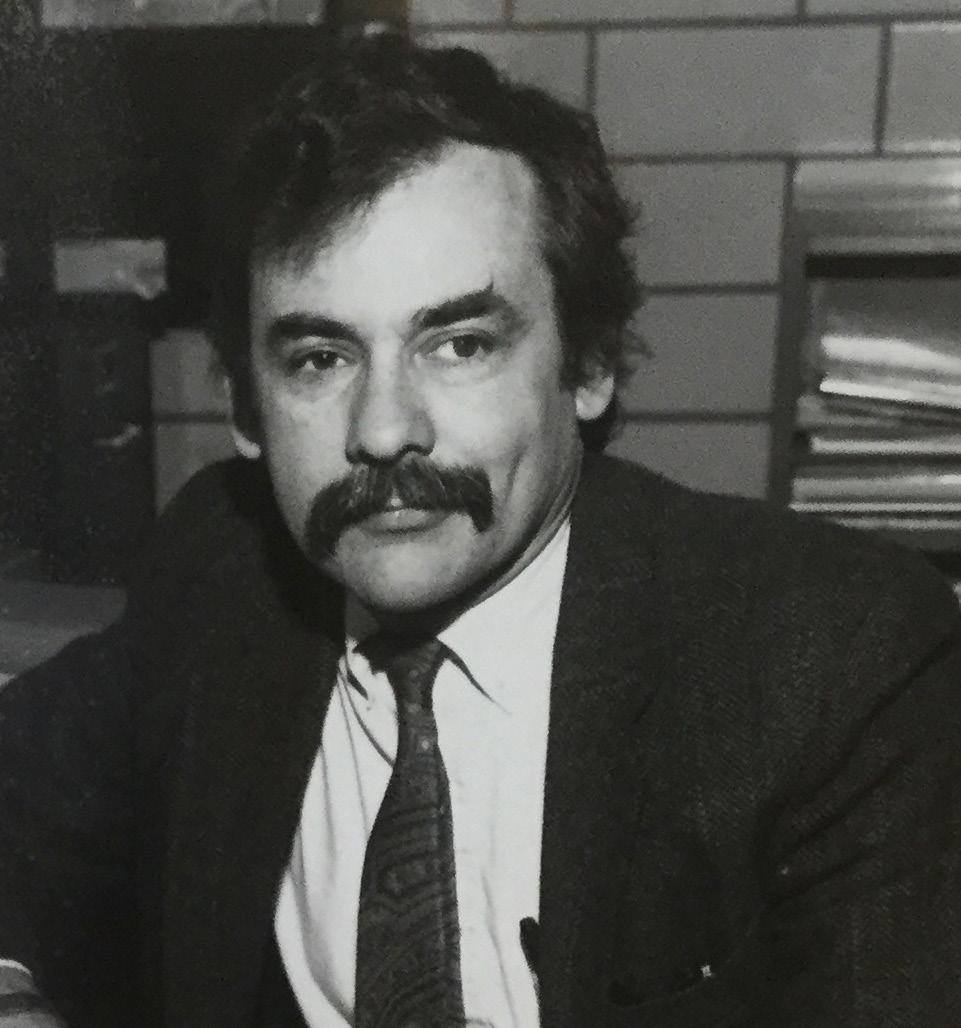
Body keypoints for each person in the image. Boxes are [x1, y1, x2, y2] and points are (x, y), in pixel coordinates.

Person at [2, 33, 961, 1028]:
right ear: (246, 407)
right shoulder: (223, 565)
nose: (384, 430)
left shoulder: (836, 666)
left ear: (587, 365)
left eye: (458, 344)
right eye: (320, 358)